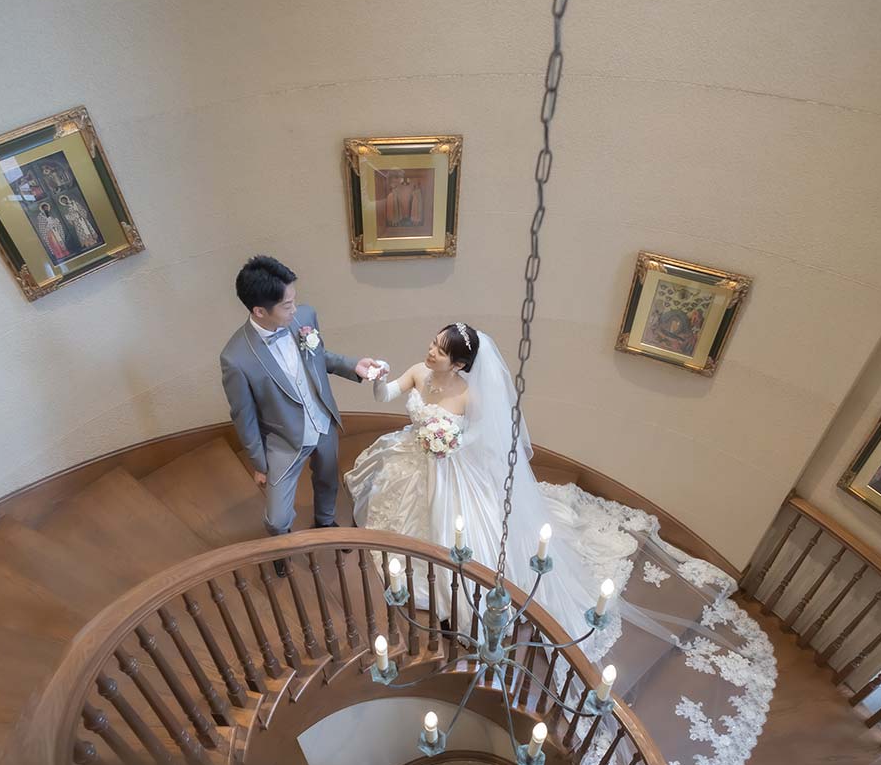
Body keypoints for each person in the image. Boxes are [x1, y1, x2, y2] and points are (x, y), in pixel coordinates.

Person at [345, 323, 737, 662]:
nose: (431, 352)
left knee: (458, 531)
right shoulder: (418, 372)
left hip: (451, 466)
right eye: (433, 343)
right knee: (397, 507)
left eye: (440, 351)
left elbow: (486, 436)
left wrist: (450, 441)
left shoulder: (469, 394)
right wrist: (379, 379)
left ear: (460, 365)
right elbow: (385, 396)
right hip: (413, 458)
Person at [219, 256, 382, 553]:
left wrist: (352, 366)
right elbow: (244, 417)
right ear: (259, 311)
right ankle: (282, 544)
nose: (295, 310)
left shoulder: (306, 316)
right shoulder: (235, 358)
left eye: (294, 300)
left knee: (328, 479)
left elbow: (319, 357)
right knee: (277, 518)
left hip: (322, 420)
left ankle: (325, 521)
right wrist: (259, 464)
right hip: (283, 441)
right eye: (287, 305)